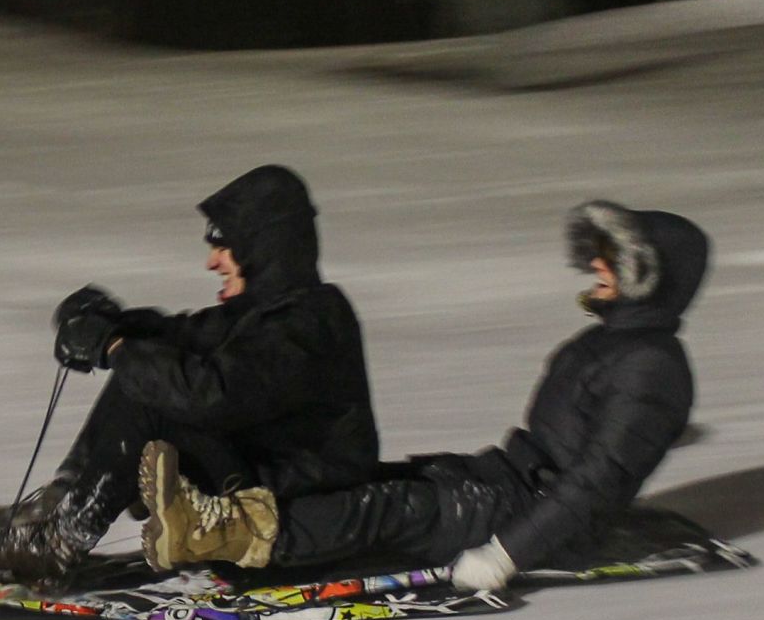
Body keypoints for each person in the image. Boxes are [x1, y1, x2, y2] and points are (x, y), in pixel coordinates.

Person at [140, 199, 710, 593]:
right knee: (372, 482)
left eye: (613, 256)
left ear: (648, 277)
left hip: (533, 519)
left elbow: (597, 481)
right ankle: (222, 514)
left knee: (386, 509)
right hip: (503, 483)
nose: (595, 263)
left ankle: (220, 531)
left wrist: (504, 556)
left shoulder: (651, 367)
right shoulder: (614, 343)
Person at [0, 164, 380, 584]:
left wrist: (116, 348)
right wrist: (113, 326)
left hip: (296, 507)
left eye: (223, 246)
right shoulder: (270, 312)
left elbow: (213, 394)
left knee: (151, 390)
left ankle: (58, 541)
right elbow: (183, 335)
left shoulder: (307, 324)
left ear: (260, 248)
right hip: (268, 480)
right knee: (147, 368)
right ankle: (53, 509)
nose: (212, 262)